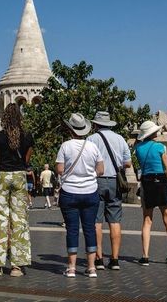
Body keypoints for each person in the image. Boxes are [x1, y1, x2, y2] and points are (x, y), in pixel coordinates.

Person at [56, 113, 104, 278]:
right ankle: (91, 268)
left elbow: (60, 170)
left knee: (72, 230)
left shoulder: (65, 146)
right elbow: (101, 170)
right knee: (90, 228)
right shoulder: (93, 147)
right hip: (90, 192)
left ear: (70, 129)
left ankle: (71, 268)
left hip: (69, 192)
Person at [0, 103, 34, 277]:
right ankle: (17, 266)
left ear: (4, 118)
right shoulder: (27, 136)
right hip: (19, 177)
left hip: (2, 176)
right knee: (19, 220)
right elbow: (26, 161)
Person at [86, 111, 131, 271]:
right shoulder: (120, 139)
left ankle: (98, 258)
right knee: (115, 220)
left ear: (96, 124)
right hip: (114, 181)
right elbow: (128, 163)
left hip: (96, 181)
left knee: (96, 221)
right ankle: (115, 259)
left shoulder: (91, 139)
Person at [134, 120, 167, 267]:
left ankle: (145, 256)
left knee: (147, 220)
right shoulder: (160, 147)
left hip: (147, 181)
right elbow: (166, 168)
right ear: (153, 132)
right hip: (161, 181)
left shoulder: (138, 148)